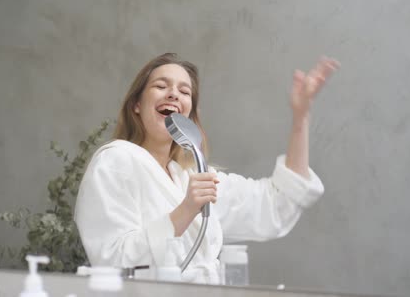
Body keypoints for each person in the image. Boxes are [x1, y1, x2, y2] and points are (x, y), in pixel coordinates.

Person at [74, 52, 340, 283]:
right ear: (136, 104)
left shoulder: (192, 177)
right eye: (161, 85)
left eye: (184, 91)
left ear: (188, 113)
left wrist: (301, 116)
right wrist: (186, 210)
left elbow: (275, 203)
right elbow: (112, 260)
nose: (173, 94)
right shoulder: (116, 162)